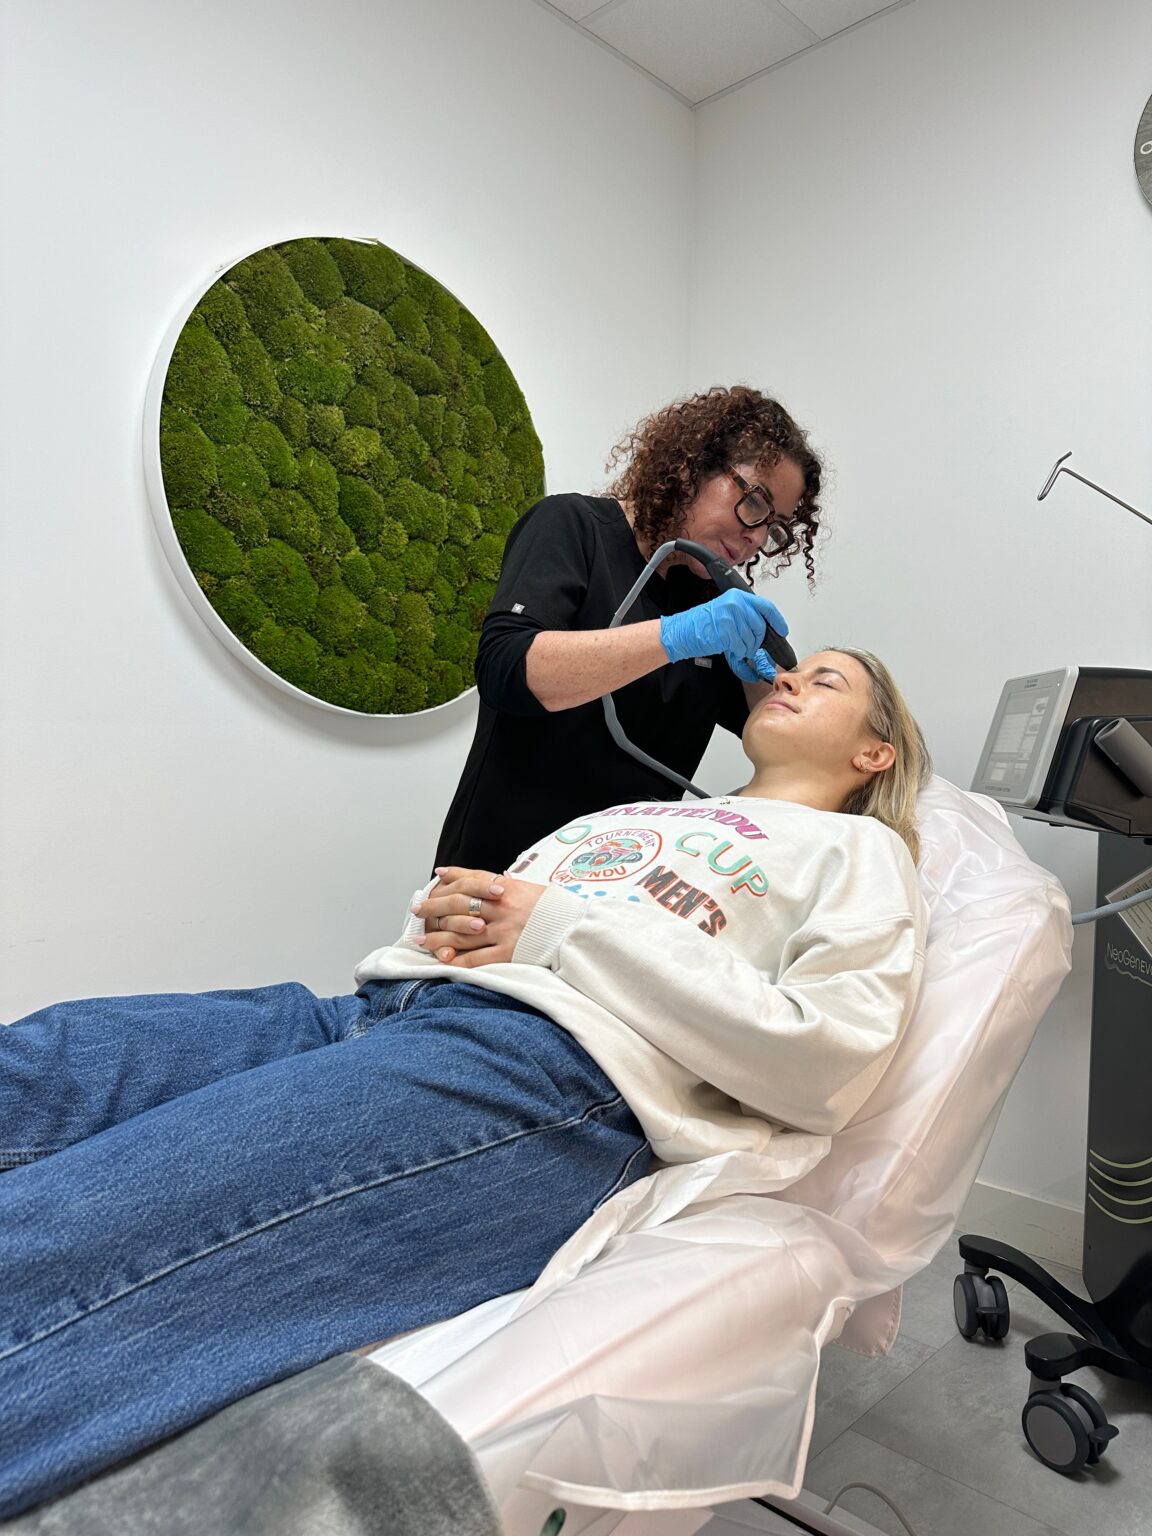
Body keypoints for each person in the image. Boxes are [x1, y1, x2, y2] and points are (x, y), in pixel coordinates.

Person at [0, 649, 929, 1521]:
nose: (789, 678)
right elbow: (503, 920)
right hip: (374, 1008)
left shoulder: (859, 854)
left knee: (86, 1222)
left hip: (545, 1067)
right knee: (49, 1059)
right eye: (796, 669)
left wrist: (559, 929)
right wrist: (449, 917)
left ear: (873, 751)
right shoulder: (639, 814)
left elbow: (829, 1062)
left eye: (828, 681)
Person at [434, 385, 825, 874]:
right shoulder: (572, 526)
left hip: (615, 890)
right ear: (694, 466)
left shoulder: (712, 600)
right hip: (498, 871)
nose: (757, 535)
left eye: (776, 527)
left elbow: (781, 738)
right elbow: (506, 669)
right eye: (755, 503)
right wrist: (675, 636)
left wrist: (762, 673)